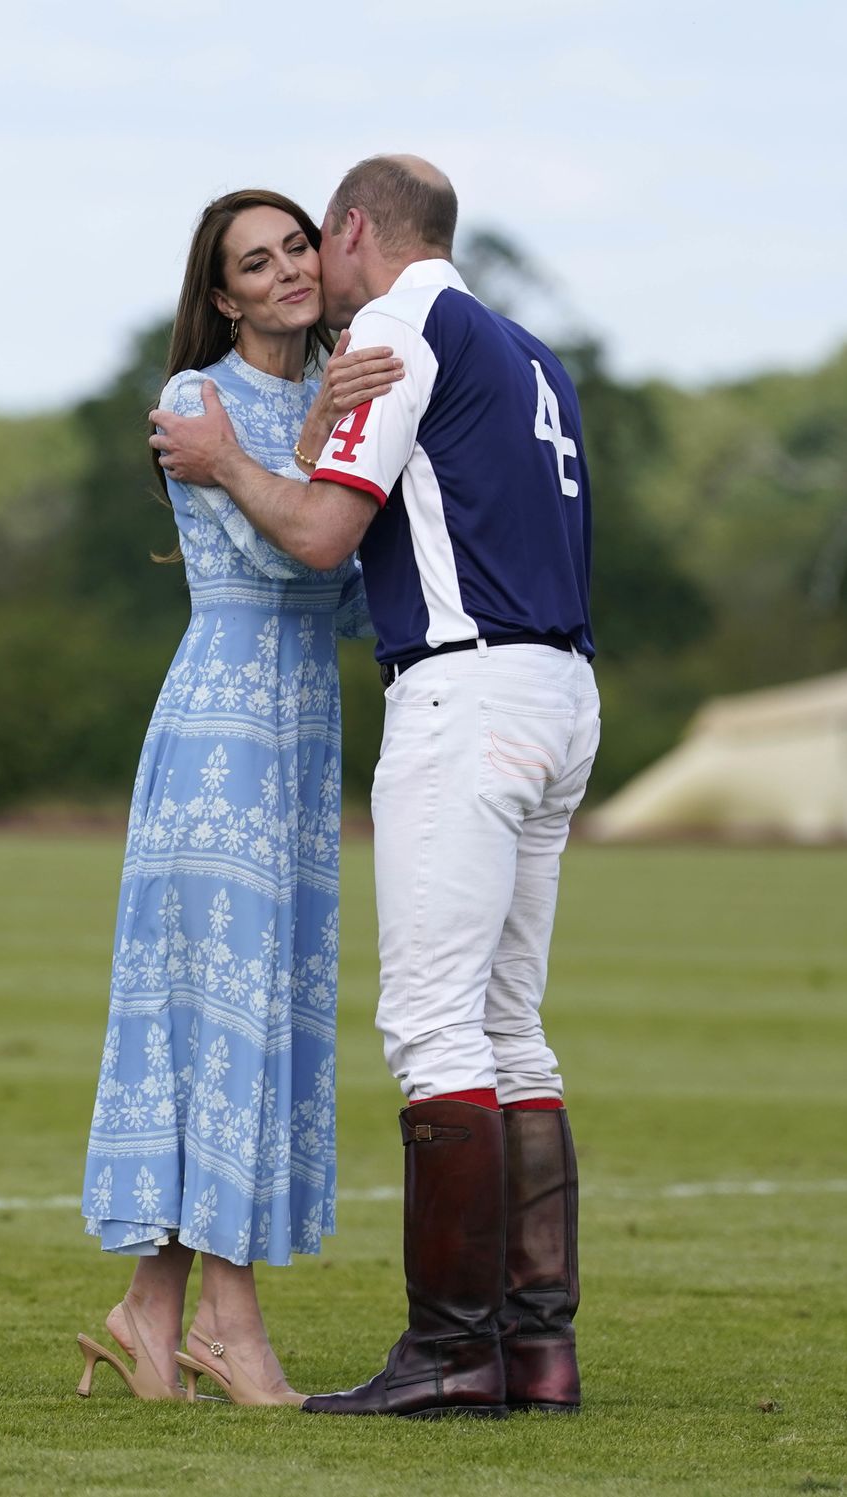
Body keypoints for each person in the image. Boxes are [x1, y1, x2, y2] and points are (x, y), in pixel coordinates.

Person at [149, 155, 601, 1420]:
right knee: (512, 1028)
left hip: (466, 697)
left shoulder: (399, 329)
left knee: (435, 1031)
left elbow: (319, 535)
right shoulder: (524, 348)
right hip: (562, 688)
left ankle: (452, 1354)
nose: (310, 275)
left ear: (352, 231)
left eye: (313, 245)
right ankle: (535, 1351)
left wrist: (229, 461)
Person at [77, 188, 401, 1405]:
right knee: (216, 1013)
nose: (286, 273)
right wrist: (314, 430)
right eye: (254, 263)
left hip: (302, 723)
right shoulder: (195, 401)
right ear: (220, 294)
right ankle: (230, 1326)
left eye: (297, 247)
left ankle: (147, 1316)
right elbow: (282, 550)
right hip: (219, 726)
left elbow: (357, 580)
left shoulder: (347, 383)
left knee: (253, 1010)